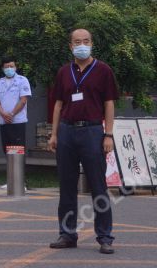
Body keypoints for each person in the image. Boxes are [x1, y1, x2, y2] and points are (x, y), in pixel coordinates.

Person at [48, 29, 118, 255]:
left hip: (92, 132)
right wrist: (54, 134)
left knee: (98, 187)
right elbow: (58, 104)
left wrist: (108, 134)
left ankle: (105, 237)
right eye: (77, 42)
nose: (82, 45)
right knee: (66, 187)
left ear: (92, 43)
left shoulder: (103, 70)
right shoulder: (63, 72)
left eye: (86, 41)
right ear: (70, 46)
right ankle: (67, 234)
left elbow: (109, 103)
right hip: (67, 131)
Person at [0, 56, 32, 189]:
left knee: (18, 151)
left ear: (15, 67)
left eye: (11, 66)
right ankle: (11, 180)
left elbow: (23, 100)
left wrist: (11, 114)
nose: (9, 69)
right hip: (4, 121)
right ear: (3, 68)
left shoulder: (22, 80)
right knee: (7, 150)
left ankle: (22, 182)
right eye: (6, 67)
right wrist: (3, 114)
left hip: (17, 121)